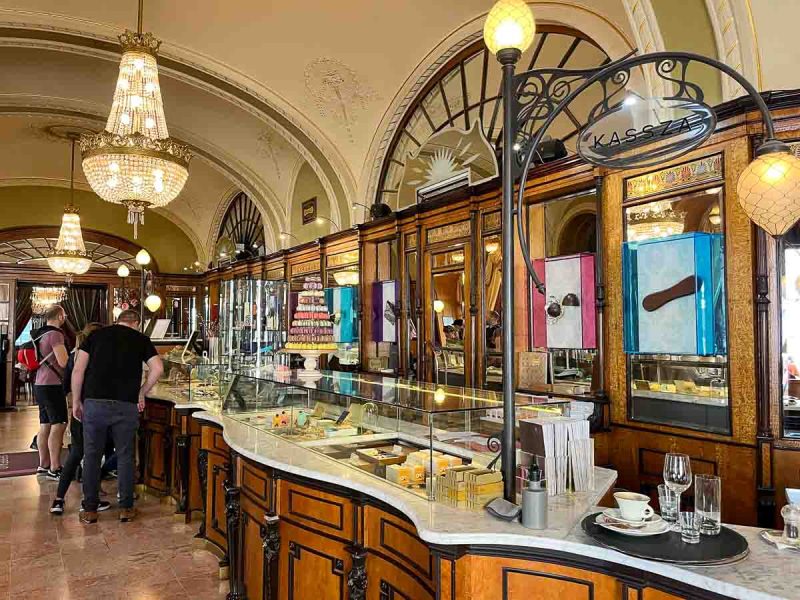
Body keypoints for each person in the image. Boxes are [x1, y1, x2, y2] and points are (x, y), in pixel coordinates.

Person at [71, 309, 163, 524]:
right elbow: (157, 368)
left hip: (95, 403)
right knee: (125, 456)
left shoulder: (95, 336)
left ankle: (90, 509)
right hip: (126, 405)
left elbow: (78, 370)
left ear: (118, 320)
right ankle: (126, 508)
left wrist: (76, 400)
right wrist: (142, 391)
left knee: (92, 455)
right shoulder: (140, 339)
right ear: (136, 323)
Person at [50, 322, 112, 515]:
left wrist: (74, 403)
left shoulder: (74, 354)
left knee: (76, 454)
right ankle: (90, 498)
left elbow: (66, 384)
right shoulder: (99, 356)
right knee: (102, 452)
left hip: (79, 410)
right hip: (96, 408)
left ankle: (59, 499)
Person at [33, 304, 70, 480]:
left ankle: (43, 464)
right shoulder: (55, 334)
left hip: (39, 383)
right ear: (60, 317)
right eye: (64, 315)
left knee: (45, 424)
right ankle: (55, 467)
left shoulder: (40, 333)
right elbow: (63, 362)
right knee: (59, 423)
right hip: (52, 385)